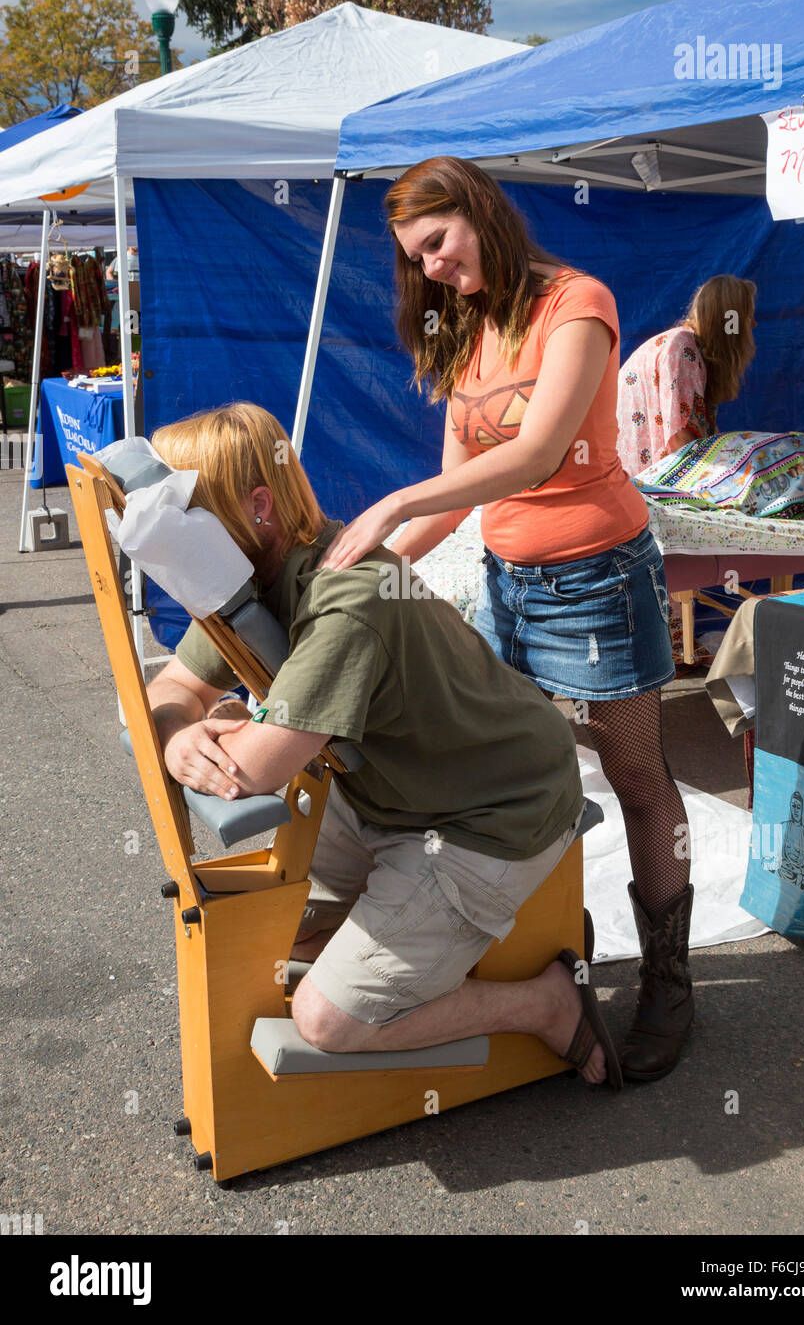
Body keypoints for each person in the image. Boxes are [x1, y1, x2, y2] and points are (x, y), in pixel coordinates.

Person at [316, 156, 694, 1082]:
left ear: (481, 211)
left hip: (598, 581)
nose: (435, 269)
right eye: (417, 259)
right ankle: (548, 947)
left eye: (439, 243)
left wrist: (391, 505)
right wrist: (361, 574)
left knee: (636, 774)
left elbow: (531, 456)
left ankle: (669, 981)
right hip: (507, 583)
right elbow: (458, 496)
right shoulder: (464, 330)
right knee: (509, 772)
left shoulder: (579, 303)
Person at [144, 402, 622, 1087]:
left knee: (327, 1019)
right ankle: (430, 944)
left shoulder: (345, 603)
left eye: (187, 518)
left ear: (257, 507)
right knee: (266, 941)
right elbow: (171, 689)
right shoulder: (252, 580)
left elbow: (249, 770)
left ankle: (543, 1001)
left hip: (490, 813)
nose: (174, 541)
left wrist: (209, 730)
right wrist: (178, 734)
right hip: (395, 797)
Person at [616, 274, 757, 476]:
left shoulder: (692, 349)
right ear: (730, 320)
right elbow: (680, 439)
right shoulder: (682, 348)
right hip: (643, 486)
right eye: (749, 316)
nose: (754, 324)